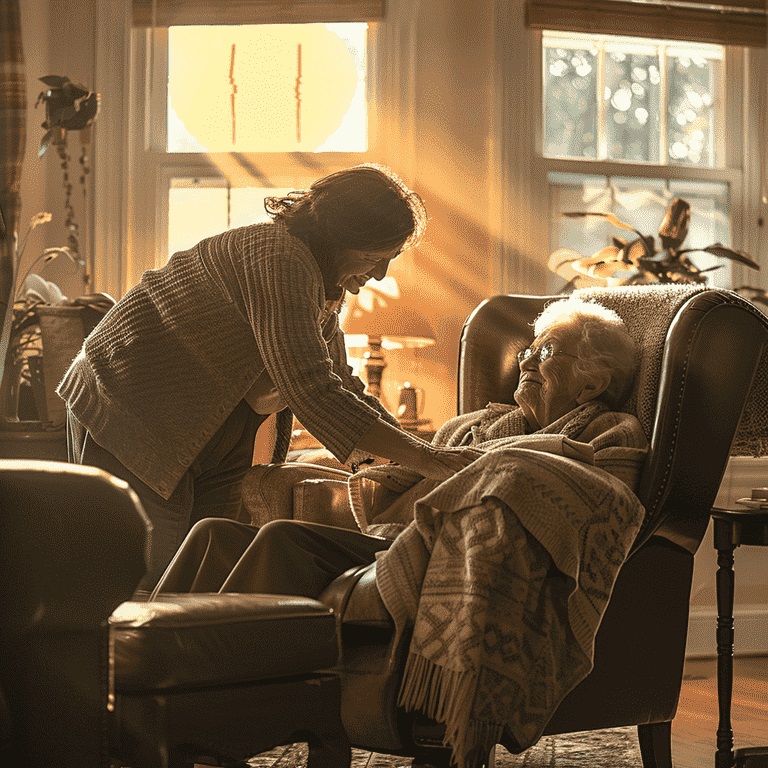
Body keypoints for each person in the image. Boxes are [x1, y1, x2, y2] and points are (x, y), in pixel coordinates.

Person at [58, 164, 476, 592]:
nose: (381, 274)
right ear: (341, 235)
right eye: (375, 257)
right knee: (146, 577)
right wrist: (424, 458)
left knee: (205, 572)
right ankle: (127, 658)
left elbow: (342, 384)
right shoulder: (279, 255)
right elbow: (311, 388)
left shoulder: (322, 285)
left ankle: (186, 655)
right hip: (134, 401)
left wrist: (423, 453)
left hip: (213, 428)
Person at [151, 296, 646, 598]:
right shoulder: (476, 424)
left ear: (590, 384)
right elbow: (405, 463)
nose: (526, 362)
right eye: (530, 350)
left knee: (283, 539)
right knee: (215, 531)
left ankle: (223, 694)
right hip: (393, 531)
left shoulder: (610, 430)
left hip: (435, 546)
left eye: (548, 352)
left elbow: (606, 507)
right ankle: (138, 669)